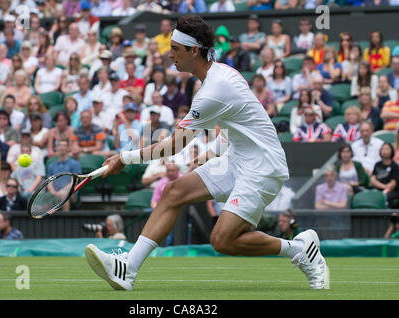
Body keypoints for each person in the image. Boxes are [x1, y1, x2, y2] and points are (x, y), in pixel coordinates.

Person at [85, 15, 329, 291]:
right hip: (237, 158)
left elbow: (174, 145)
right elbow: (240, 123)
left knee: (222, 240)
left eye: (176, 48)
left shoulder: (213, 89)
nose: (170, 54)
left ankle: (298, 249)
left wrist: (124, 158)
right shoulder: (217, 76)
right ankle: (128, 269)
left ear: (193, 51)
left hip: (262, 167)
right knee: (173, 192)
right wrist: (213, 151)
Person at [47, 139, 82, 212]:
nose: (62, 147)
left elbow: (74, 182)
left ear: (67, 148)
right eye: (60, 145)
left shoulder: (75, 164)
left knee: (64, 196)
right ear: (57, 148)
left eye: (64, 145)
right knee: (48, 198)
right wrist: (53, 192)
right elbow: (49, 183)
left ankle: (66, 222)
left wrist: (63, 191)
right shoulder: (51, 166)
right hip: (55, 193)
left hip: (71, 193)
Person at [370, 143, 399, 208]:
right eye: (383, 149)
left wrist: (385, 190)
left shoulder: (394, 166)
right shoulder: (377, 164)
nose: (384, 151)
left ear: (391, 151)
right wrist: (383, 187)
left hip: (392, 191)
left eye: (387, 149)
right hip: (380, 189)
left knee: (387, 196)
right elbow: (373, 179)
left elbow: (393, 183)